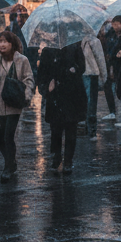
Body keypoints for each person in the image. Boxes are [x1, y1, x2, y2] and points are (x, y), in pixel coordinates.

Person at [0, 30, 35, 183]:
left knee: (8, 136)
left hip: (14, 104)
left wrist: (26, 96)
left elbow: (29, 79)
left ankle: (8, 167)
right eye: (0, 41)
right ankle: (11, 161)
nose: (2, 44)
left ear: (12, 43)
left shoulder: (22, 60)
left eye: (5, 41)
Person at [39, 41, 86, 174]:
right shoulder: (47, 51)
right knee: (55, 129)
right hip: (55, 95)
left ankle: (68, 160)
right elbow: (42, 73)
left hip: (72, 94)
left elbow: (82, 66)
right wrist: (47, 88)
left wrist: (73, 70)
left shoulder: (74, 47)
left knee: (71, 129)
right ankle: (56, 155)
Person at [81, 28, 108, 137]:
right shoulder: (93, 41)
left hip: (81, 74)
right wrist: (103, 77)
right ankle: (91, 129)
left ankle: (87, 127)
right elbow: (100, 60)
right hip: (91, 74)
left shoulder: (75, 40)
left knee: (85, 102)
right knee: (91, 103)